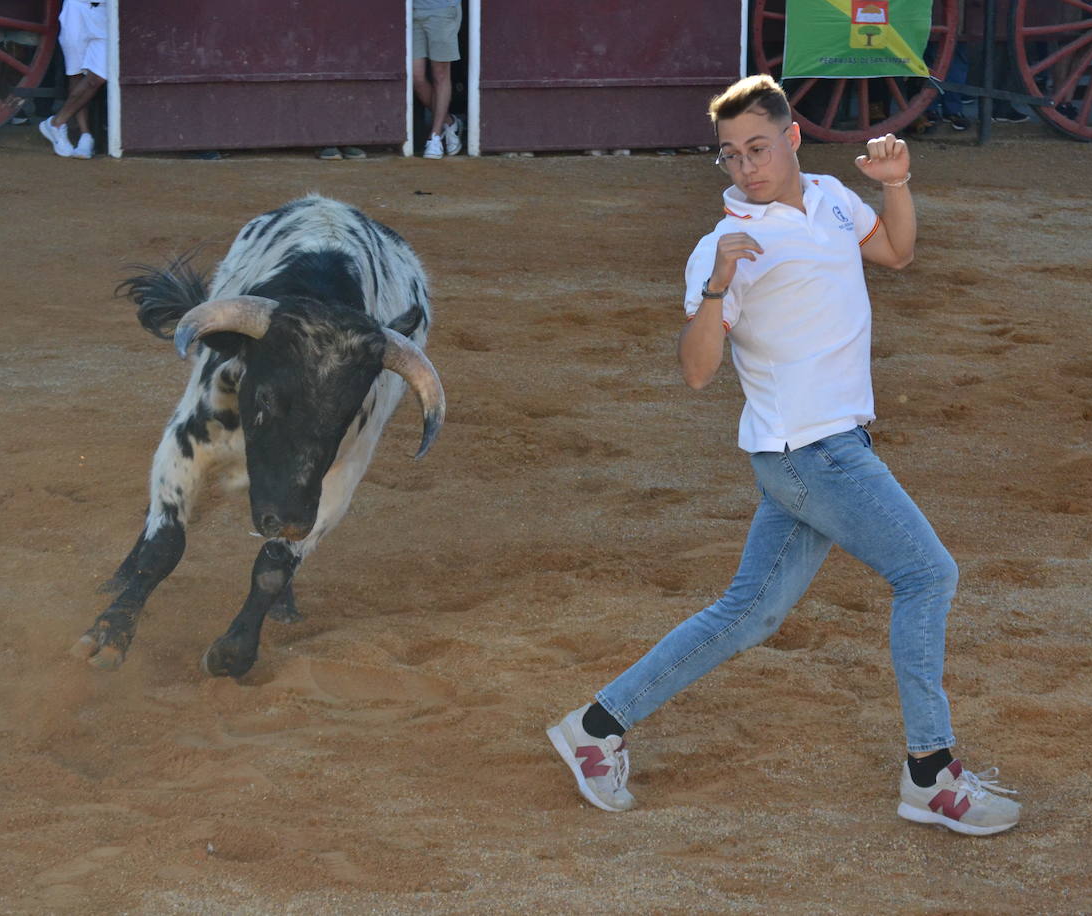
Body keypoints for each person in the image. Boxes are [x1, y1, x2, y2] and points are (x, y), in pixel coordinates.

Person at [546, 74, 1021, 837]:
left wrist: (896, 185)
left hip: (817, 450)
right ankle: (931, 776)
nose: (745, 168)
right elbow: (698, 370)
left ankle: (596, 728)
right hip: (814, 455)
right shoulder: (721, 246)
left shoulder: (834, 197)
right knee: (928, 572)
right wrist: (716, 290)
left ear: (792, 138)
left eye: (757, 149)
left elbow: (896, 253)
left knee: (750, 612)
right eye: (729, 156)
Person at [38, 0, 107, 159]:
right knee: (75, 73)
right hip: (76, 8)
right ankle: (85, 136)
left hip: (106, 12)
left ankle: (56, 122)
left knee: (98, 77)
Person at [411, 0, 463, 159]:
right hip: (412, 10)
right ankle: (449, 121)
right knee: (416, 77)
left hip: (443, 9)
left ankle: (434, 135)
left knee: (440, 74)